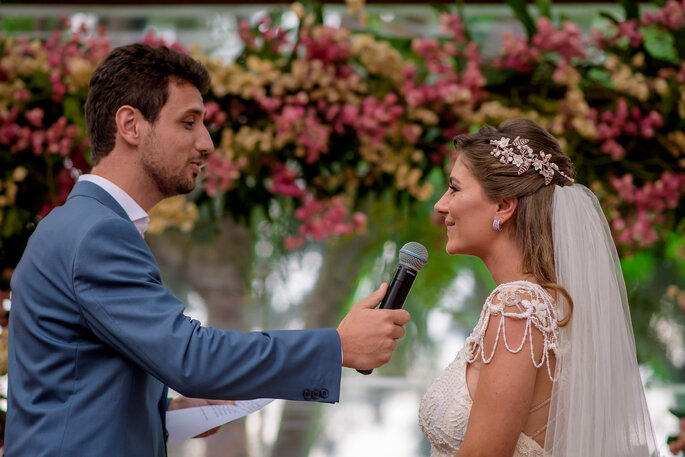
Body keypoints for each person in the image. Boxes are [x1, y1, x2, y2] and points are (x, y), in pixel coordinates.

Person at [5, 43, 410, 457]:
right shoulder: (96, 233)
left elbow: (73, 391)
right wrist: (337, 347)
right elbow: (191, 357)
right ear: (130, 124)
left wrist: (165, 415)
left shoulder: (82, 225)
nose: (207, 143)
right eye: (189, 122)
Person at [419, 119, 658, 456]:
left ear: (503, 206)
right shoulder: (545, 304)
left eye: (455, 189)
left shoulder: (518, 307)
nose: (440, 205)